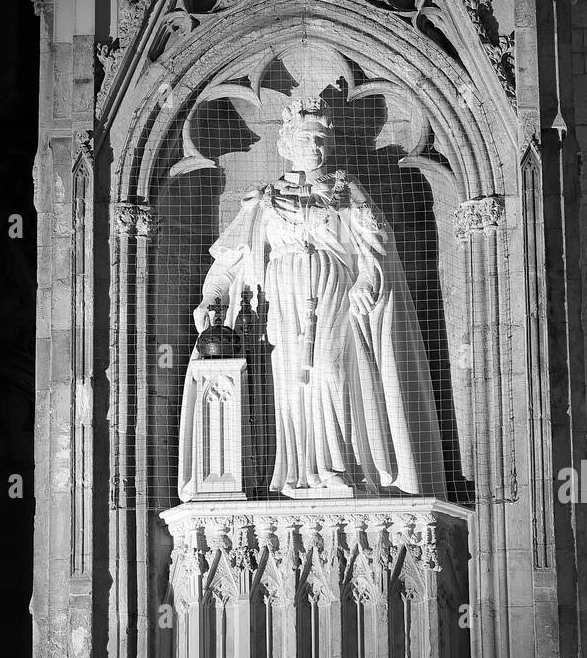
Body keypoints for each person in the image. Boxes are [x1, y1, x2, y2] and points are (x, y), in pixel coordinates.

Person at [178, 96, 447, 499]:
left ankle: (338, 468)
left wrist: (367, 280)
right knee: (291, 386)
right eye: (306, 138)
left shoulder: (345, 189)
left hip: (334, 291)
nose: (316, 146)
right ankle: (298, 475)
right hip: (280, 299)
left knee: (331, 372)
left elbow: (376, 244)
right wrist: (212, 299)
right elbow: (232, 258)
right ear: (286, 143)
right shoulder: (262, 199)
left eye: (322, 138)